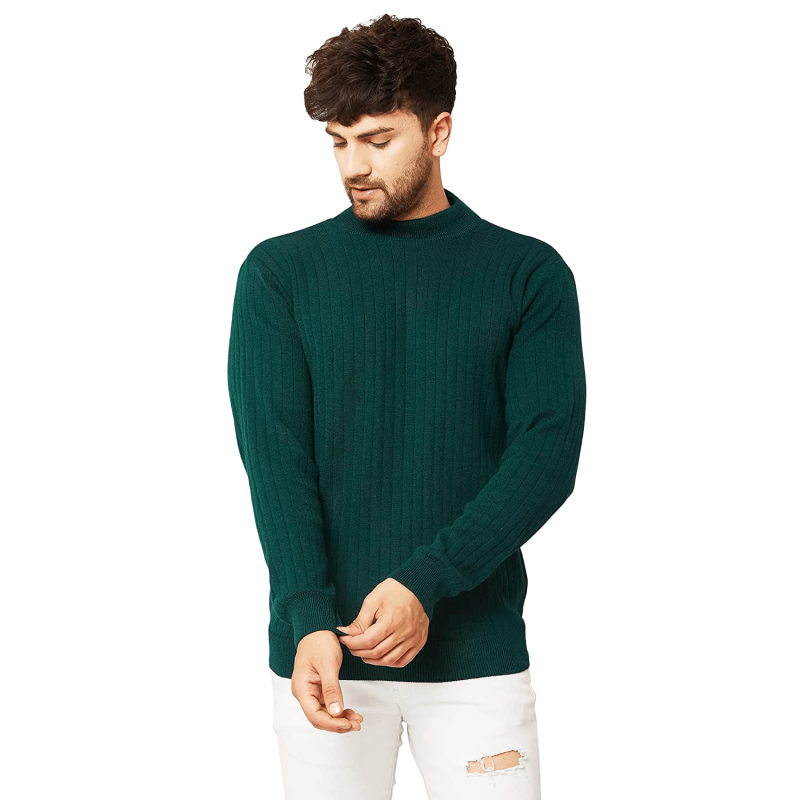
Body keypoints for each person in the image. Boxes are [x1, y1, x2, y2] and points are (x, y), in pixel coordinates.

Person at [227, 13, 586, 799]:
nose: (353, 165)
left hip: (475, 662)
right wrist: (305, 617)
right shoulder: (279, 275)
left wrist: (426, 580)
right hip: (323, 657)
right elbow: (277, 464)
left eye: (378, 139)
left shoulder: (527, 276)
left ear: (440, 131)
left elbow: (546, 456)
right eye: (338, 142)